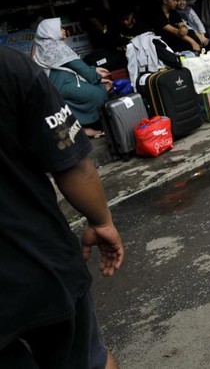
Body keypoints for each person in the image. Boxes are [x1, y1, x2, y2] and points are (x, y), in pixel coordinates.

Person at [0, 45, 125, 369]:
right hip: (38, 261)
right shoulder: (10, 65)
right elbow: (72, 165)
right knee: (87, 361)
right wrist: (101, 221)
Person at [32, 17, 111, 138]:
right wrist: (97, 77)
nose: (63, 30)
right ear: (50, 31)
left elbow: (70, 65)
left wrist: (94, 71)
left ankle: (83, 126)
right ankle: (88, 127)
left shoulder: (40, 45)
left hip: (55, 86)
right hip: (61, 85)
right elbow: (78, 66)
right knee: (98, 93)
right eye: (59, 28)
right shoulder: (55, 47)